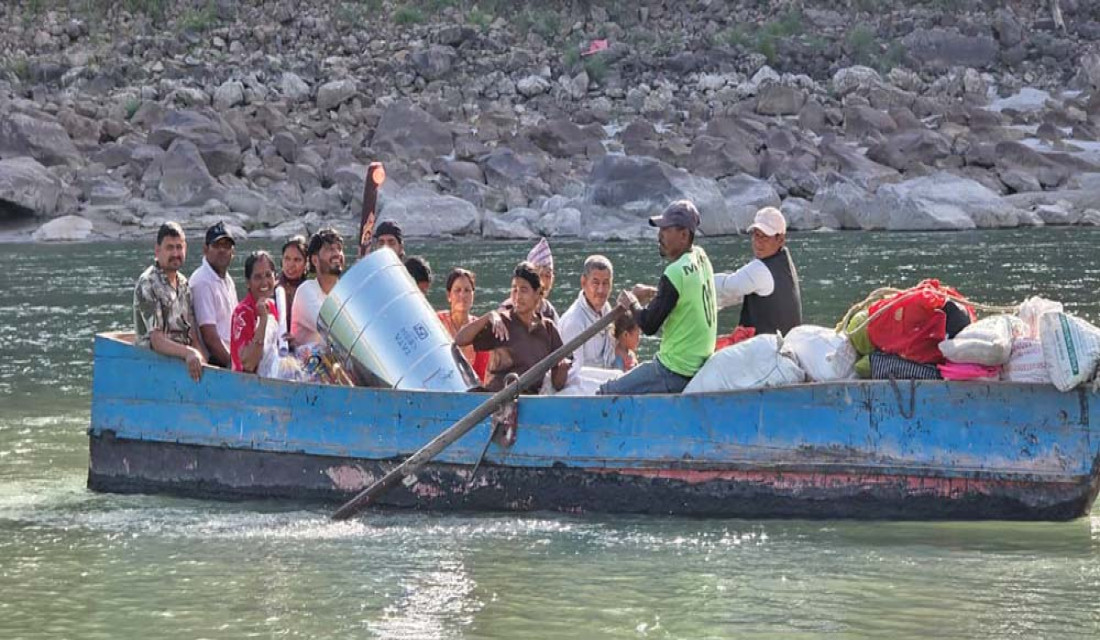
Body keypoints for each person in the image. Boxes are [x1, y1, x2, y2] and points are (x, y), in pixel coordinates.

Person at [598, 200, 716, 395]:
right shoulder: (701, 257)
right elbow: (682, 294)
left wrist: (631, 302)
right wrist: (655, 292)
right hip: (698, 365)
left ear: (684, 235)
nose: (659, 236)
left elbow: (649, 325)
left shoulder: (674, 272)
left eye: (666, 230)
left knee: (606, 391)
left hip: (675, 369)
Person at [454, 261, 570, 394]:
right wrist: (488, 316)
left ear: (537, 293)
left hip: (531, 403)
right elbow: (460, 340)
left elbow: (558, 383)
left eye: (524, 290)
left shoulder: (548, 329)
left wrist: (563, 369)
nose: (517, 296)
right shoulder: (501, 321)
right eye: (514, 289)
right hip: (495, 402)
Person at [133, 222, 207, 381]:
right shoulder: (148, 283)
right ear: (157, 251)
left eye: (179, 247)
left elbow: (192, 334)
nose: (175, 253)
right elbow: (157, 341)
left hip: (184, 366)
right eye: (170, 248)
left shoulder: (184, 284)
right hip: (155, 367)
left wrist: (203, 362)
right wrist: (189, 353)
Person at [713, 206, 802, 335]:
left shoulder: (760, 270)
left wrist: (695, 280)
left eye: (765, 237)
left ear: (781, 239)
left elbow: (726, 286)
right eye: (756, 235)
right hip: (784, 344)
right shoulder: (785, 262)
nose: (758, 242)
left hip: (765, 349)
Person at [189, 221, 238, 367]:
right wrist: (234, 366)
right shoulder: (202, 281)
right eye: (216, 245)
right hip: (216, 363)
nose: (222, 250)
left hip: (232, 354)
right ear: (205, 249)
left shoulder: (227, 280)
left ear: (232, 252)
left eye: (227, 246)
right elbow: (210, 338)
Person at [558, 255, 616, 370]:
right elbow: (575, 374)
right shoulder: (574, 321)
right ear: (583, 282)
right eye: (595, 283)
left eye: (605, 283)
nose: (601, 290)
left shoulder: (606, 308)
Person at [291, 228, 345, 348]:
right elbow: (330, 327)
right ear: (315, 260)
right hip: (307, 364)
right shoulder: (306, 291)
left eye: (339, 249)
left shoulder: (345, 293)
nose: (337, 253)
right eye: (330, 249)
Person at [230, 251, 280, 376]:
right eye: (258, 277)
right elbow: (248, 364)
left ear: (275, 278)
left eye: (268, 275)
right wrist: (263, 320)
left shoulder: (272, 305)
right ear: (248, 282)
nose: (264, 282)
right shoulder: (242, 313)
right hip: (246, 386)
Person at [437, 268, 490, 382]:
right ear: (449, 295)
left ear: (473, 295)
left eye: (467, 290)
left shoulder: (481, 329)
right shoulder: (437, 323)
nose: (463, 295)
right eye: (457, 290)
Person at [500, 237, 559, 322]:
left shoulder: (549, 311)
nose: (544, 282)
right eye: (539, 275)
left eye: (548, 276)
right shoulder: (508, 309)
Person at [276, 235, 308, 323]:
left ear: (306, 263)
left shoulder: (312, 289)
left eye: (297, 260)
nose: (291, 264)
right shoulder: (273, 289)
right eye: (287, 259)